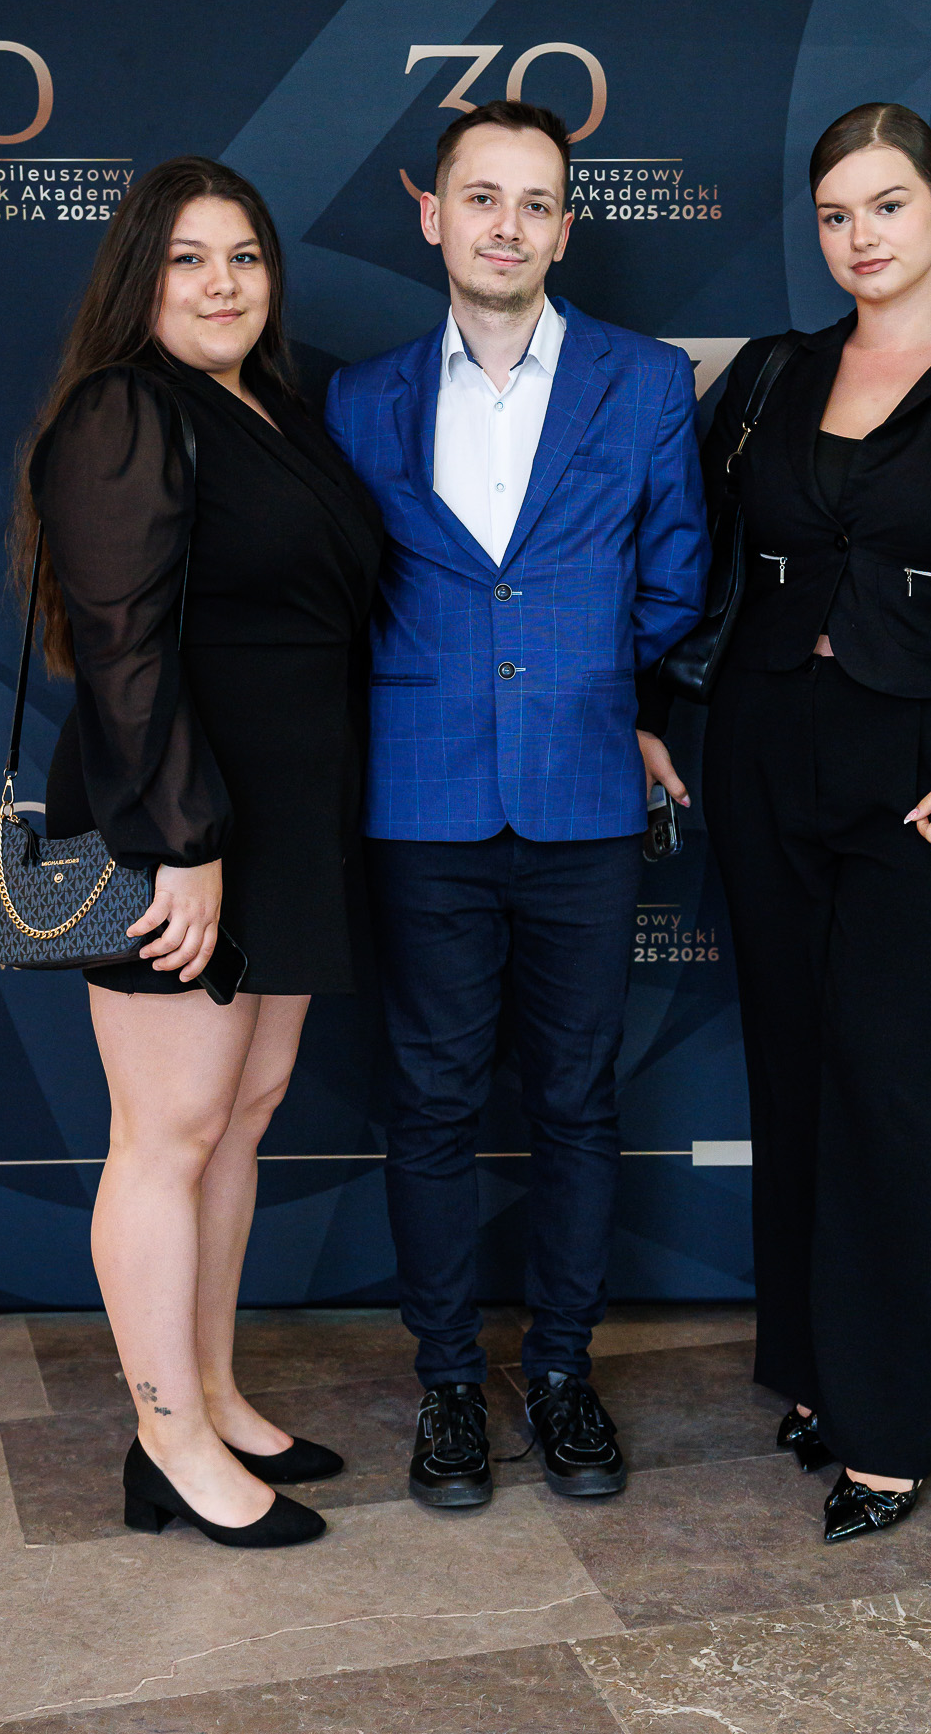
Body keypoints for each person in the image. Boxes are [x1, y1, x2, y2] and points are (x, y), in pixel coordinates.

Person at [650, 103, 931, 1541]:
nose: (862, 238)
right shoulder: (775, 374)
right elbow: (692, 558)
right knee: (791, 1069)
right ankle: (813, 1373)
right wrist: (653, 705)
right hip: (766, 745)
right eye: (837, 215)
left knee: (888, 1083)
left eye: (888, 206)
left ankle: (890, 1424)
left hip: (928, 768)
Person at [325, 99, 708, 1509]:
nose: (506, 225)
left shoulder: (645, 381)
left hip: (583, 794)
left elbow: (677, 575)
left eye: (535, 202)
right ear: (433, 216)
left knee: (576, 1102)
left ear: (566, 226)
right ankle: (445, 1386)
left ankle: (559, 1373)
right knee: (428, 1100)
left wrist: (600, 696)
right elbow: (340, 589)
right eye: (480, 198)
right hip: (418, 799)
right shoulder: (357, 398)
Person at [16, 156, 383, 1548]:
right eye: (187, 259)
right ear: (139, 280)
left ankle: (214, 1393)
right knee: (166, 1133)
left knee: (242, 1113)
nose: (222, 284)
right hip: (172, 822)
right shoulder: (124, 408)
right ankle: (165, 1441)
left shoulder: (268, 408)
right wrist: (184, 845)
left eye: (244, 256)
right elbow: (122, 650)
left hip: (282, 817)